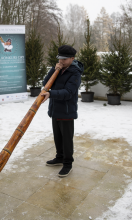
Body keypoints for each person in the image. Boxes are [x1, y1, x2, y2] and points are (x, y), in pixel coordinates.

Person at [41, 45, 84, 177]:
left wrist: (51, 94)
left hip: (66, 111)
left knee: (66, 139)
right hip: (55, 109)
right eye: (60, 58)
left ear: (72, 58)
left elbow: (69, 93)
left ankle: (68, 163)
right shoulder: (58, 68)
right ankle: (59, 157)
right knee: (57, 137)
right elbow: (46, 82)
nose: (61, 61)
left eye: (64, 59)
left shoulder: (75, 73)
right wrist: (54, 70)